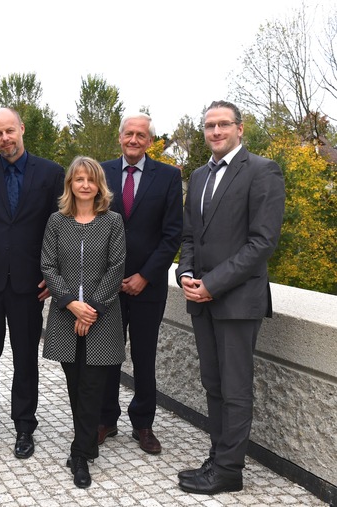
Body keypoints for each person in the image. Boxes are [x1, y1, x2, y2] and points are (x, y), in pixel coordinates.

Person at [176, 100, 285, 495]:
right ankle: (220, 456)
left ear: (240, 129)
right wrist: (186, 274)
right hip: (200, 298)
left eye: (223, 124)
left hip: (237, 301)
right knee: (213, 384)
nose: (216, 131)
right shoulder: (200, 176)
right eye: (209, 125)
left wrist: (213, 283)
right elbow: (190, 237)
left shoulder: (262, 171)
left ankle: (229, 471)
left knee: (236, 390)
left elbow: (262, 243)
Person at [0, 107, 65, 459]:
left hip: (30, 283)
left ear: (21, 129)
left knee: (25, 359)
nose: (5, 138)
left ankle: (24, 427)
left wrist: (54, 276)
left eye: (10, 131)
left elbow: (60, 229)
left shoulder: (51, 173)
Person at [98, 113, 183, 454]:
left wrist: (145, 275)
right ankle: (106, 419)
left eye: (141, 135)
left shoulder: (168, 176)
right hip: (107, 284)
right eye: (129, 134)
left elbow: (172, 233)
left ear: (150, 140)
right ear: (120, 137)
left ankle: (143, 424)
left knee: (145, 357)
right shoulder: (99, 172)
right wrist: (109, 275)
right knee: (107, 356)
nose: (134, 140)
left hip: (149, 285)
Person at [41, 156, 126, 488]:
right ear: (70, 185)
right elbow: (48, 267)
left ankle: (81, 454)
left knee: (92, 386)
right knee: (75, 385)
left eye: (91, 179)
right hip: (65, 316)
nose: (85, 185)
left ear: (99, 184)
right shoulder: (56, 222)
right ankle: (86, 443)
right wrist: (73, 305)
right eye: (79, 179)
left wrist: (90, 309)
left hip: (101, 317)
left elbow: (116, 267)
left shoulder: (112, 222)